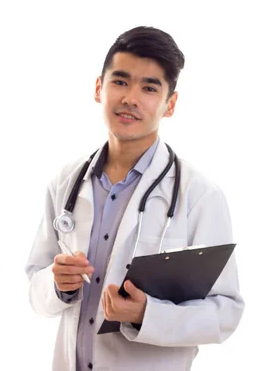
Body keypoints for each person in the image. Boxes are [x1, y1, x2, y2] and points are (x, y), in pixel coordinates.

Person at [24, 26, 244, 370]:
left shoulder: (199, 194)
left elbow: (226, 311)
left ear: (170, 104)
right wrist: (57, 284)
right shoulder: (66, 182)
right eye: (120, 81)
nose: (131, 98)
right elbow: (36, 285)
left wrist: (146, 315)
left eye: (149, 88)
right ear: (99, 88)